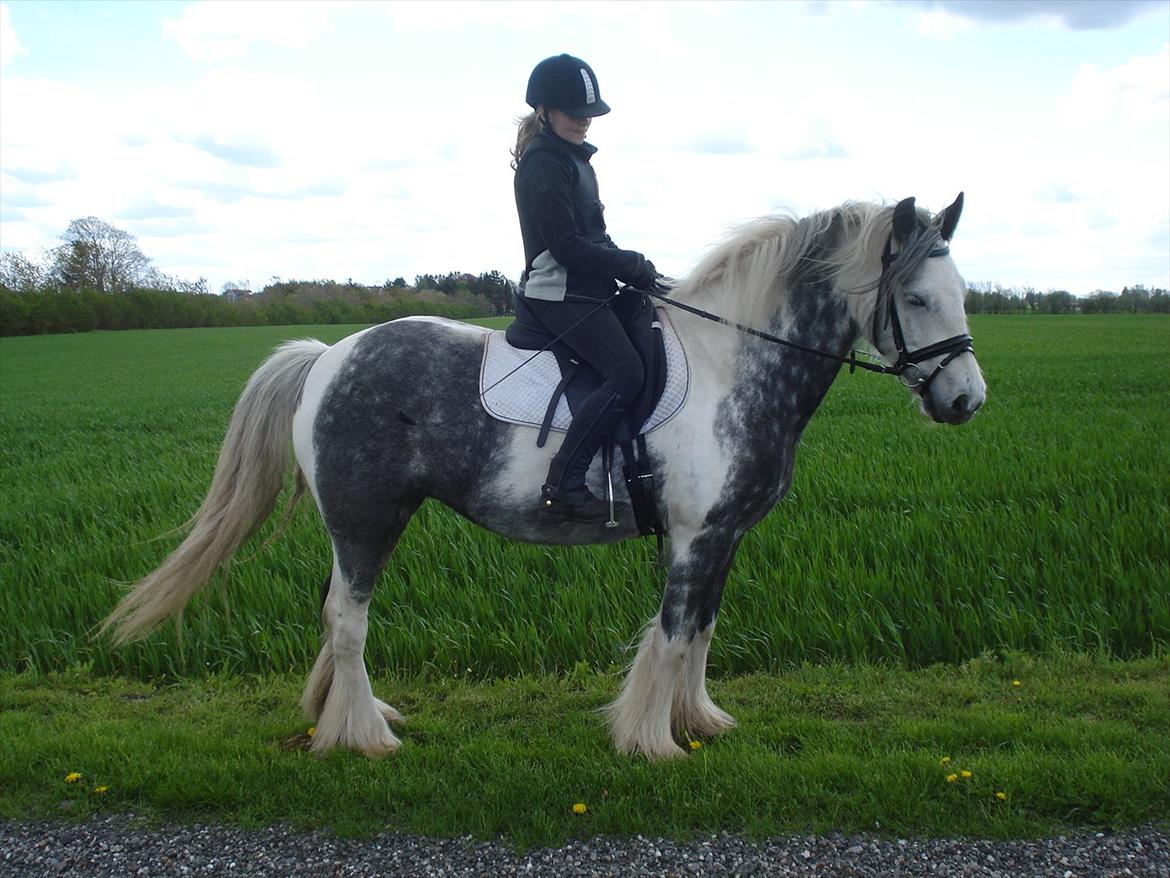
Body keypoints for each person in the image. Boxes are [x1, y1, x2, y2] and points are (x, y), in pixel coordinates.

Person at [512, 53, 661, 525]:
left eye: (589, 114)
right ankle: (563, 483)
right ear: (545, 112)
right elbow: (568, 248)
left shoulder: (575, 162)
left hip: (587, 290)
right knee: (626, 372)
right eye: (574, 112)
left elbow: (596, 238)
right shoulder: (543, 165)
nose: (584, 121)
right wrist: (628, 263)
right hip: (559, 293)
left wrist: (641, 271)